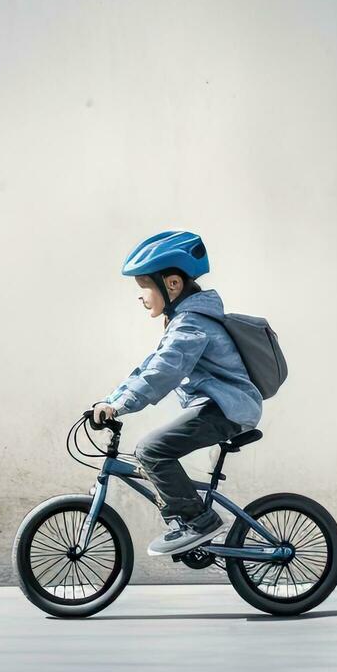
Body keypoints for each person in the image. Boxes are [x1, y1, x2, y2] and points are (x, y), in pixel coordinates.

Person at [89, 230, 264, 556]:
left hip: (228, 409)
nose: (142, 297)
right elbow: (149, 366)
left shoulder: (191, 324)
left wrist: (121, 407)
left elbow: (164, 372)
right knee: (153, 454)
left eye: (145, 288)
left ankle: (197, 521)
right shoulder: (184, 321)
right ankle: (191, 518)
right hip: (222, 407)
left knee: (151, 450)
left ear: (172, 284)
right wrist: (111, 401)